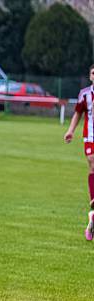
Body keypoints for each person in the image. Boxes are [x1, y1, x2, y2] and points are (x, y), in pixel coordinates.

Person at [63, 63, 94, 241]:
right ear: (90, 76)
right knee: (91, 160)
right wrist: (70, 131)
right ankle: (93, 198)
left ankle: (92, 219)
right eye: (93, 73)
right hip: (90, 135)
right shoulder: (85, 94)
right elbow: (77, 114)